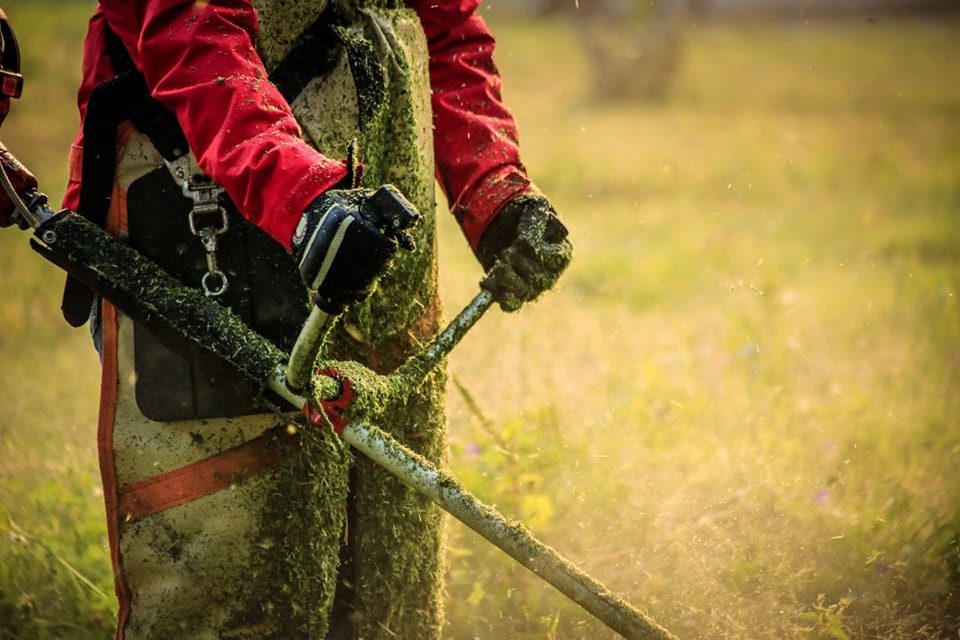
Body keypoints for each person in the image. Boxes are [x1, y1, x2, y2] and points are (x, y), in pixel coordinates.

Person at [63, 1, 572, 638]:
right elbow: (188, 34)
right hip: (214, 209)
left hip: (379, 225)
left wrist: (496, 190)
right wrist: (303, 197)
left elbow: (448, 31)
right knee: (231, 582)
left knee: (390, 583)